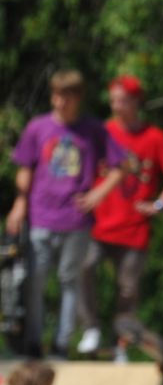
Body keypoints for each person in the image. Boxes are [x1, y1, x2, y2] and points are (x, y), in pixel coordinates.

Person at [7, 72, 125, 358]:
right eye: (56, 96)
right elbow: (25, 168)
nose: (60, 103)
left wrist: (98, 194)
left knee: (69, 280)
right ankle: (33, 343)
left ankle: (61, 344)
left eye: (66, 98)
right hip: (41, 214)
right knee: (35, 279)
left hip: (76, 219)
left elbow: (120, 165)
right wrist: (19, 203)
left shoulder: (92, 129)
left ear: (77, 99)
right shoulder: (38, 127)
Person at [90, 75, 163, 362]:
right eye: (113, 100)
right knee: (83, 268)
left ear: (136, 102)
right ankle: (92, 331)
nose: (116, 106)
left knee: (127, 290)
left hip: (134, 228)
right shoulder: (102, 132)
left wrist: (161, 203)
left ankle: (121, 346)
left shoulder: (154, 138)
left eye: (122, 100)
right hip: (99, 225)